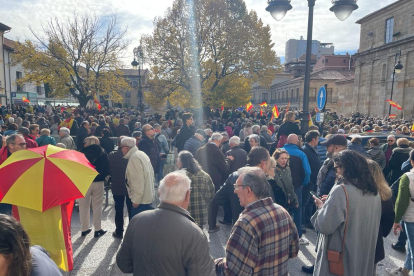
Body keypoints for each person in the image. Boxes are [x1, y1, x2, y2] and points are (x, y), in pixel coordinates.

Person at [116, 170, 215, 276]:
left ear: (159, 192)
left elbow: (123, 264)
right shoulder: (195, 233)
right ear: (187, 195)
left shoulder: (137, 220)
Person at [214, 167, 299, 276]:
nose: (234, 191)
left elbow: (233, 271)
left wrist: (217, 262)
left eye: (236, 186)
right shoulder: (282, 211)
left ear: (248, 190)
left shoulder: (246, 222)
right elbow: (294, 251)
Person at [311, 150, 381, 276]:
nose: (336, 171)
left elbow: (325, 226)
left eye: (337, 167)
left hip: (342, 258)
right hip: (364, 256)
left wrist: (322, 207)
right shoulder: (373, 191)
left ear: (347, 168)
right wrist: (332, 203)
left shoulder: (341, 190)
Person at [207, 146, 271, 233]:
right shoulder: (265, 179)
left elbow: (217, 199)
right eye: (269, 163)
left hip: (239, 228)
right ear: (263, 163)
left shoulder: (234, 176)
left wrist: (231, 208)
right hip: (262, 230)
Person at [387, 150, 414, 276]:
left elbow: (401, 201)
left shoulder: (408, 177)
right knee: (411, 246)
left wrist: (396, 220)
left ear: (412, 162)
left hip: (411, 217)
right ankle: (405, 270)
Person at [78, 136, 109, 238]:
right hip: (98, 181)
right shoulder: (103, 153)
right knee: (97, 206)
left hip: (83, 181)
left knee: (83, 206)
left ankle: (84, 229)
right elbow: (107, 167)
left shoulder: (81, 153)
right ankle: (97, 229)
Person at [282, 134, 311, 244]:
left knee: (281, 208)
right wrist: (303, 183)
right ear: (297, 141)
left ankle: (282, 234)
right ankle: (298, 235)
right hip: (296, 185)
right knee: (297, 210)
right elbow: (307, 172)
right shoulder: (301, 154)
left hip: (281, 185)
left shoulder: (279, 151)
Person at [367, 160, 394, 274]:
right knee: (371, 267)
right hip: (375, 235)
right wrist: (381, 231)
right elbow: (389, 217)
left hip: (360, 233)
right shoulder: (385, 191)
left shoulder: (362, 190)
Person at [177, 151, 215, 228]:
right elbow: (212, 194)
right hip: (200, 214)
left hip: (184, 214)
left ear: (182, 162)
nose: (177, 162)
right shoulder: (205, 175)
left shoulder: (179, 177)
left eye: (178, 160)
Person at [121, 137, 155, 219]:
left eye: (121, 147)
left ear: (125, 148)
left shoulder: (134, 158)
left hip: (141, 201)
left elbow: (137, 180)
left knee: (138, 228)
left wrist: (136, 200)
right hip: (147, 197)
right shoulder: (141, 154)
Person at [109, 136, 131, 239]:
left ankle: (119, 231)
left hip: (117, 185)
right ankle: (131, 231)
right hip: (130, 185)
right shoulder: (132, 156)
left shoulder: (112, 155)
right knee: (131, 208)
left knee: (118, 208)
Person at [0, 134, 26, 215]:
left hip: (20, 194)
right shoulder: (1, 156)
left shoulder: (27, 156)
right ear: (11, 145)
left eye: (25, 144)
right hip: (3, 196)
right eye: (21, 144)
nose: (24, 146)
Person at [302, 130, 322, 230]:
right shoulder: (305, 149)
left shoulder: (312, 149)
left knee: (311, 201)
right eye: (317, 138)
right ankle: (306, 221)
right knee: (306, 202)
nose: (318, 141)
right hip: (309, 181)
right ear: (313, 139)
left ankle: (309, 220)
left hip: (314, 180)